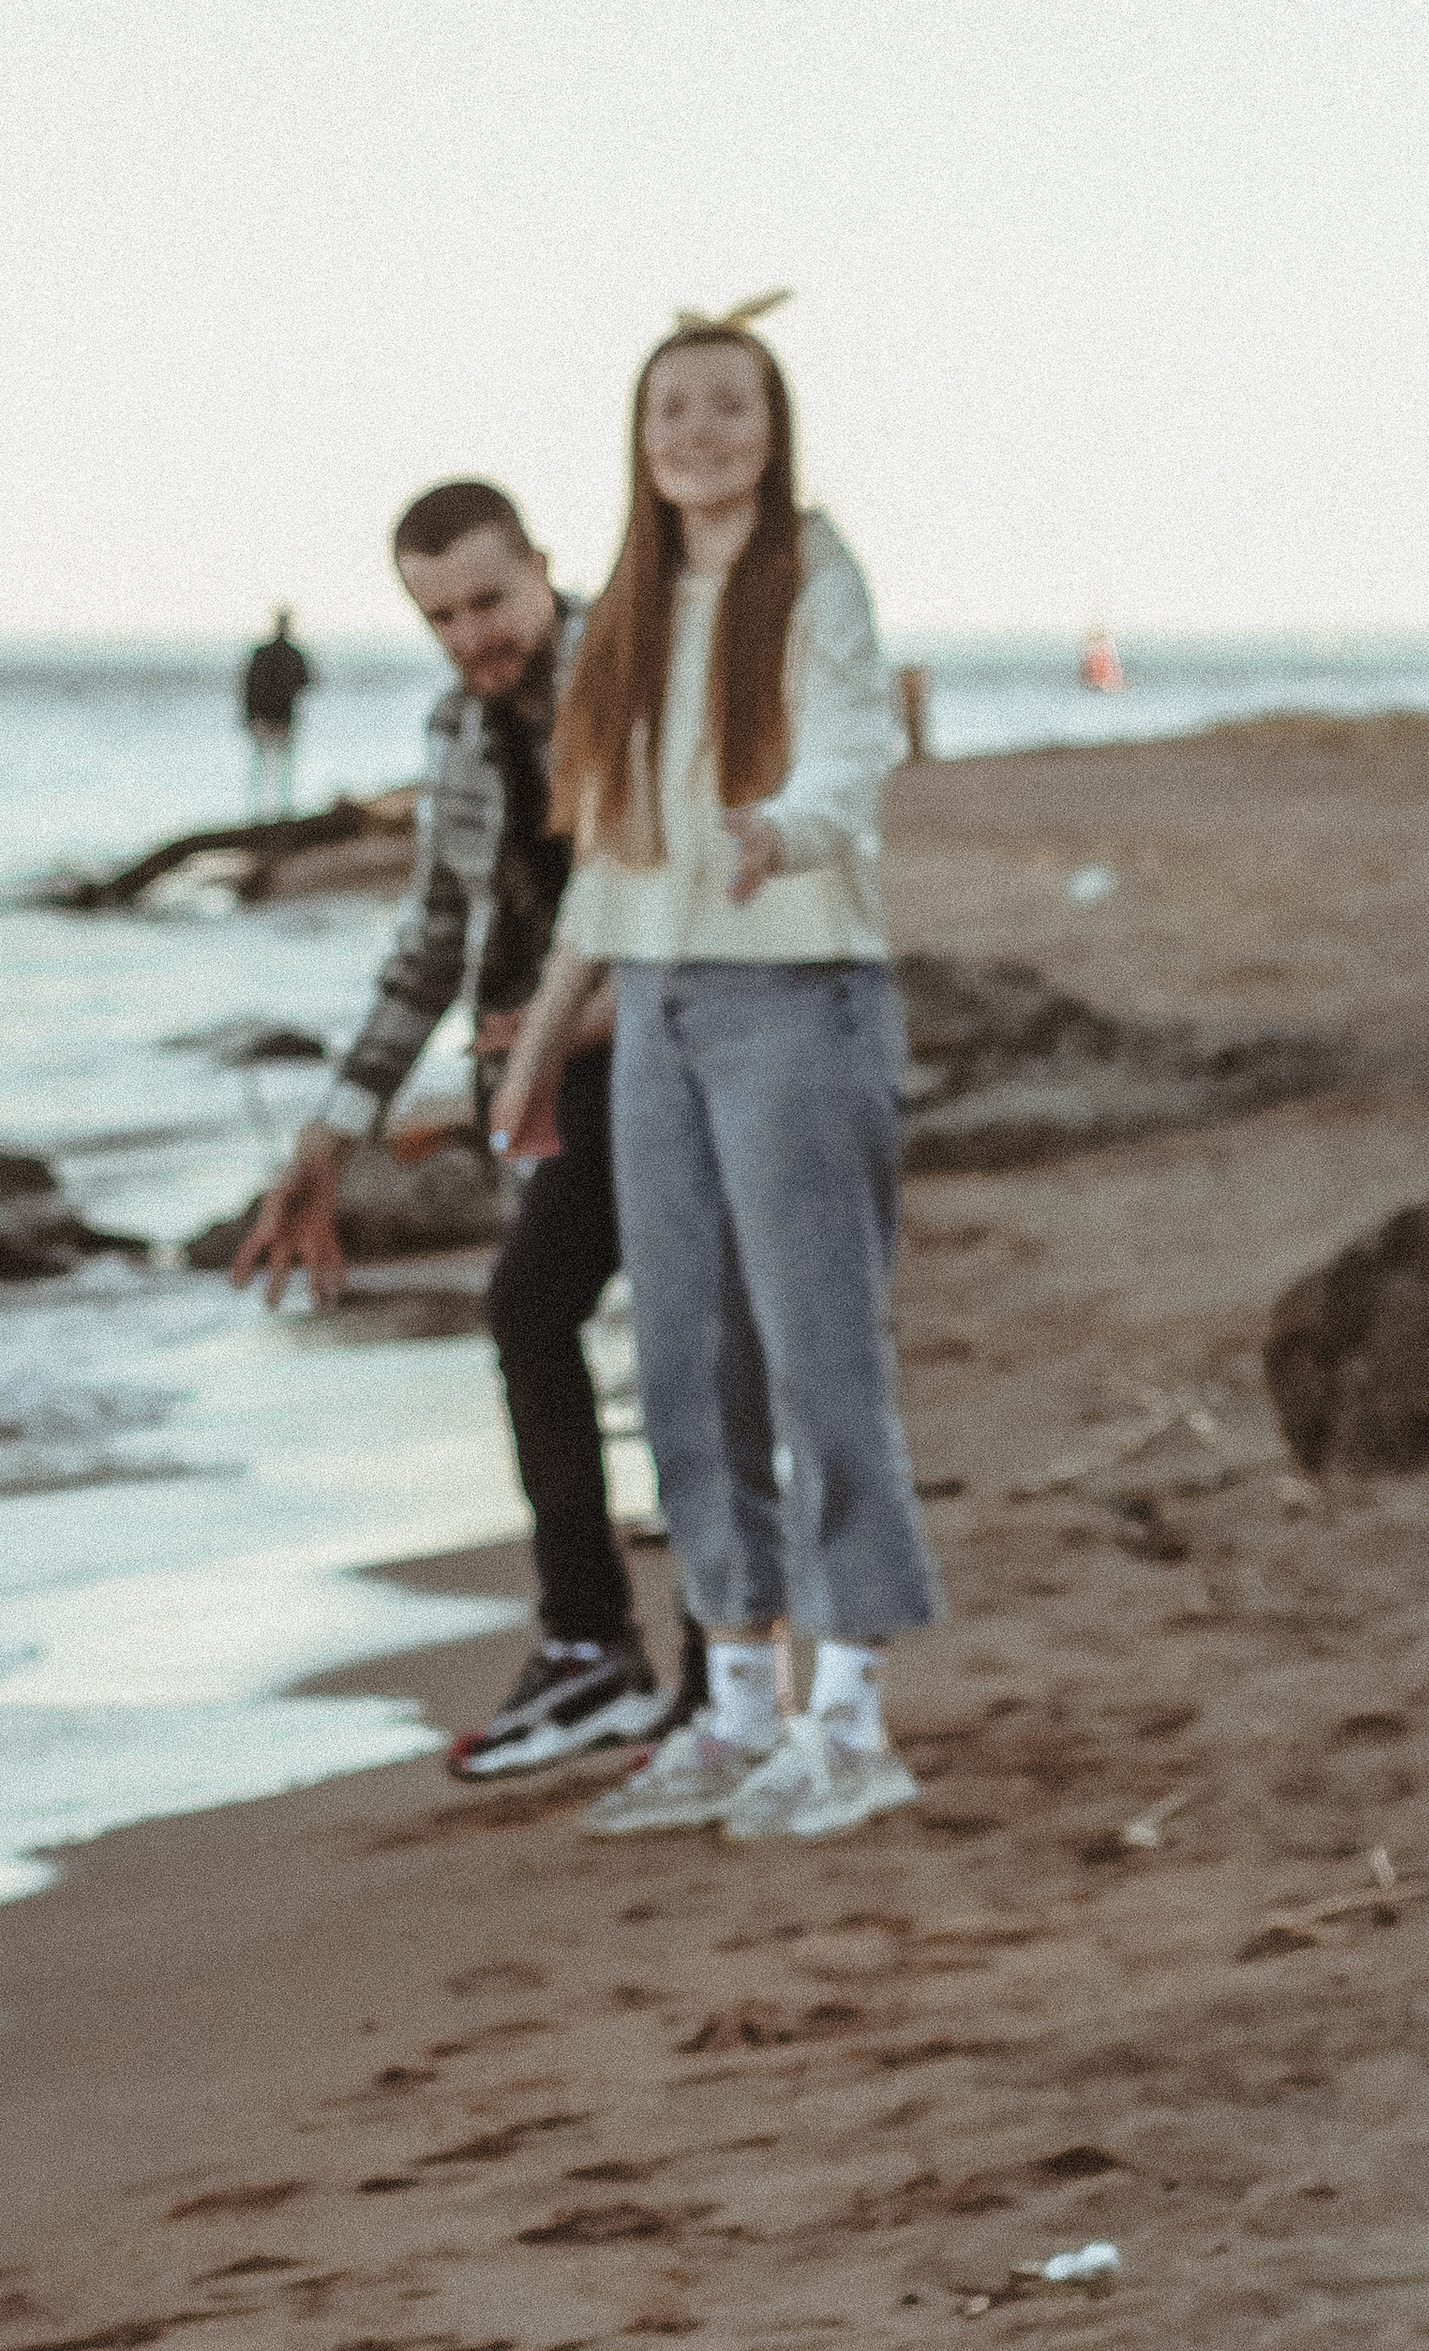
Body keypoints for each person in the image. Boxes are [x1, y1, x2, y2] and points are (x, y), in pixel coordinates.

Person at [489, 302, 939, 1842]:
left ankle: (851, 1721)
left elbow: (854, 748)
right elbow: (608, 864)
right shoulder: (626, 603)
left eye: (728, 404)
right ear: (641, 435)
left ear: (773, 425)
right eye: (672, 406)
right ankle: (739, 1707)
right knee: (684, 1363)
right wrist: (540, 1047)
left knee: (820, 1359)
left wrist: (784, 832)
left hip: (799, 999)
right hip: (659, 1013)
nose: (699, 430)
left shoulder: (810, 569)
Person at [232, 482, 693, 1778]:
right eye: (440, 617)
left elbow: (693, 902)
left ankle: (705, 1670)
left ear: (543, 568)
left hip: (672, 1052)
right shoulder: (456, 728)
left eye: (490, 602)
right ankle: (595, 1645)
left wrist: (553, 1038)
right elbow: (434, 938)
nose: (471, 637)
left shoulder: (643, 675)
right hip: (545, 1076)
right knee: (535, 1314)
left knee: (673, 1342)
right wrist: (331, 1137)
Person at [240, 607, 314, 810]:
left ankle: (264, 811)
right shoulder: (292, 654)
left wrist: (249, 716)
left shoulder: (264, 653)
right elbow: (307, 682)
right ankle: (277, 811)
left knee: (267, 767)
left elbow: (248, 687)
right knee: (277, 767)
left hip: (272, 717)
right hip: (279, 717)